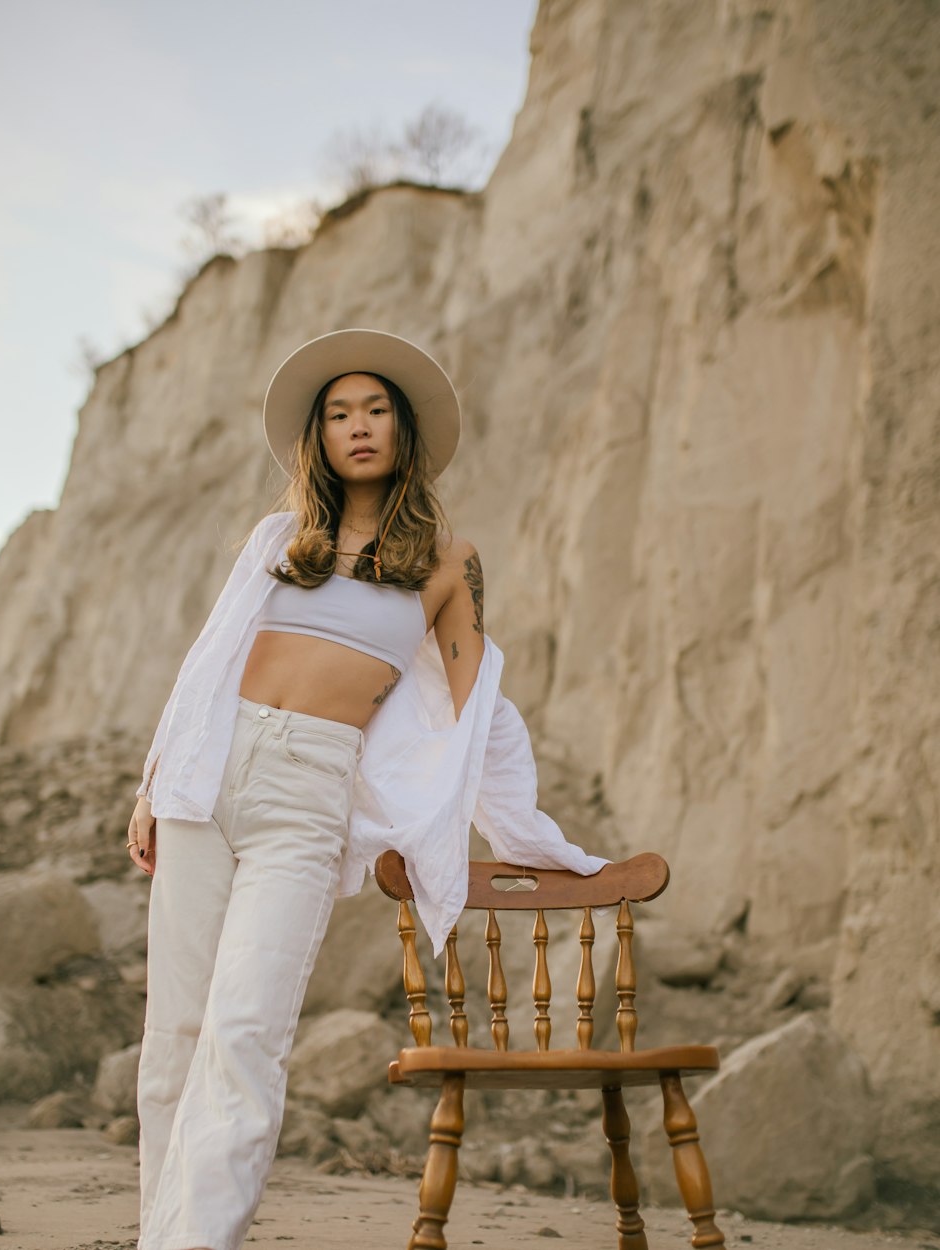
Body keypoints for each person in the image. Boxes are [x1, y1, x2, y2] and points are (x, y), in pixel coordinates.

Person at [127, 328, 606, 1250]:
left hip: (308, 789)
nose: (358, 427)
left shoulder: (446, 561)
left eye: (375, 410)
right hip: (209, 773)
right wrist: (155, 783)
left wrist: (517, 822)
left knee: (244, 1034)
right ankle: (161, 1234)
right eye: (339, 413)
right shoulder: (279, 540)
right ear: (319, 435)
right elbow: (207, 664)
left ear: (403, 430)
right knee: (174, 1038)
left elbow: (473, 704)